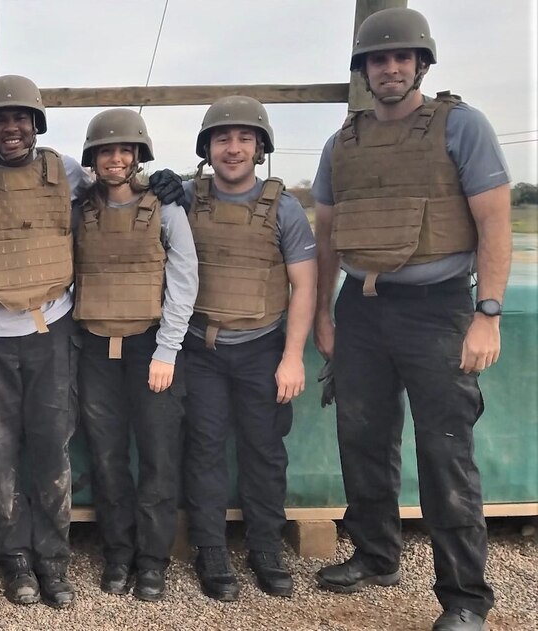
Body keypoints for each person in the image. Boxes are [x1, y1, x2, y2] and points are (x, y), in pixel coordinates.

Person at [0, 74, 183, 610]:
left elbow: (119, 190)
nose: (12, 128)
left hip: (51, 335)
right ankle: (15, 560)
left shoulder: (64, 171)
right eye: (0, 119)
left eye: (22, 118)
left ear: (36, 125)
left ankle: (53, 561)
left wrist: (168, 182)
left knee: (51, 450)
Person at [311, 8, 511, 631]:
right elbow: (326, 238)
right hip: (362, 309)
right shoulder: (342, 142)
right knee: (362, 439)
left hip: (439, 308)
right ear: (364, 71)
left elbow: (494, 224)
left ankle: (465, 598)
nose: (390, 67)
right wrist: (323, 313)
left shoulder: (462, 126)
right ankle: (376, 556)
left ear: (421, 64)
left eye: (401, 57)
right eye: (378, 59)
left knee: (445, 450)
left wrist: (489, 314)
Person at [181, 96, 316, 602]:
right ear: (207, 148)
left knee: (264, 452)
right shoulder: (185, 199)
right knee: (205, 450)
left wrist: (293, 356)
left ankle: (265, 547)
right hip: (201, 348)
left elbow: (304, 285)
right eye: (222, 139)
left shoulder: (284, 208)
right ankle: (211, 550)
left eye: (243, 139)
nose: (232, 149)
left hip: (263, 347)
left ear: (260, 147)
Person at [72, 109, 198, 602]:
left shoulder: (166, 209)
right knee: (106, 459)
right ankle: (119, 553)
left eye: (126, 150)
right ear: (93, 159)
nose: (116, 158)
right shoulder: (79, 209)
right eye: (106, 151)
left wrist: (167, 350)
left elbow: (184, 281)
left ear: (140, 156)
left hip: (152, 347)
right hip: (96, 349)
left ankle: (152, 561)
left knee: (158, 458)